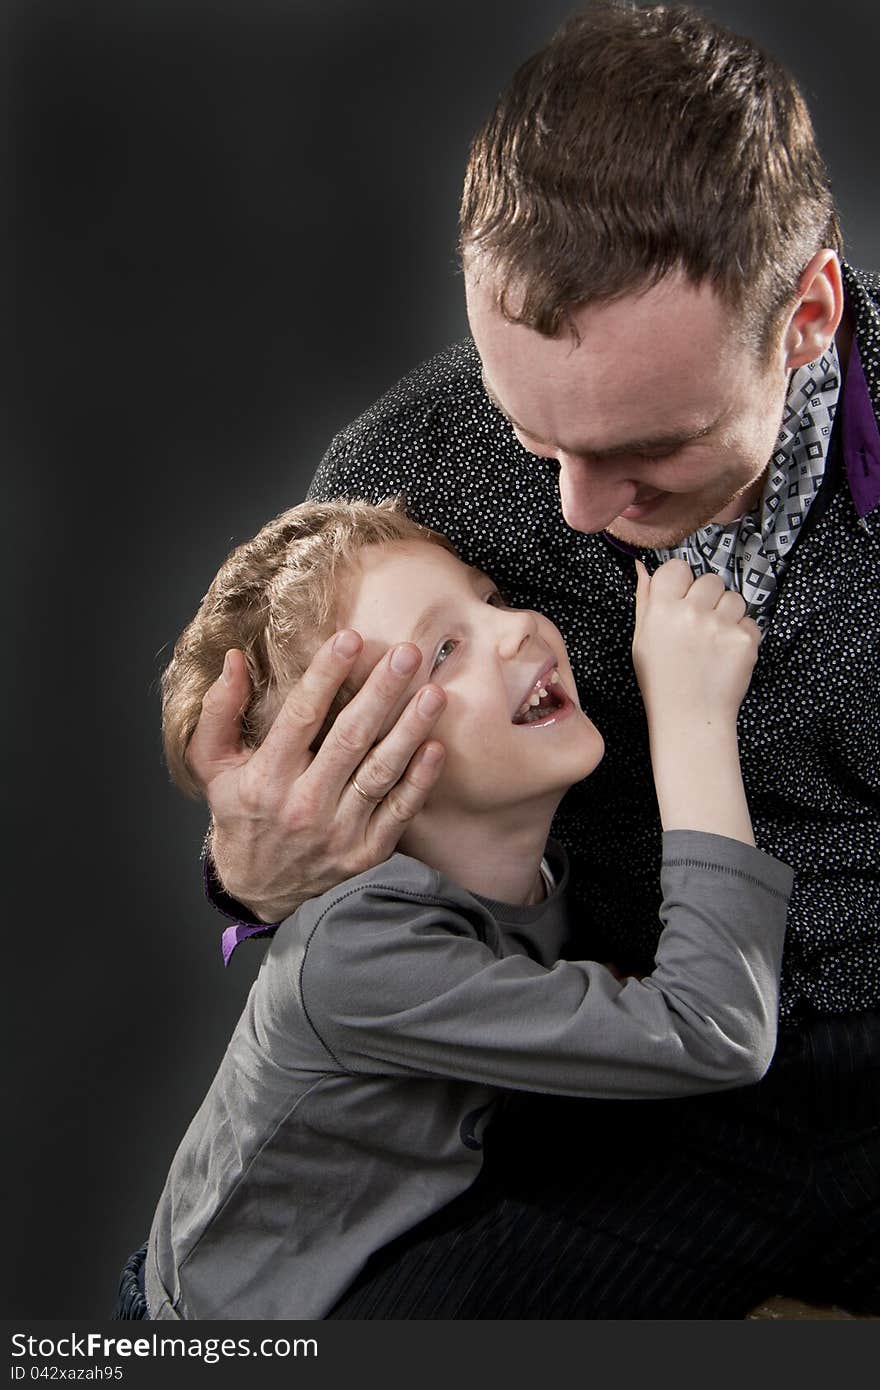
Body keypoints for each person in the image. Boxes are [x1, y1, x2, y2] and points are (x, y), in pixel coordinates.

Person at [184, 4, 880, 1317]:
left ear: (808, 316)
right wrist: (246, 877)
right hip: (622, 1082)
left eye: (646, 451)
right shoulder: (411, 470)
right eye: (533, 432)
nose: (567, 508)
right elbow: (317, 886)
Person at [143, 496, 785, 1320]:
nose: (517, 626)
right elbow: (715, 1030)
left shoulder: (541, 870)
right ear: (348, 762)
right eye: (443, 651)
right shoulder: (356, 955)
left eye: (487, 600)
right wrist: (694, 721)